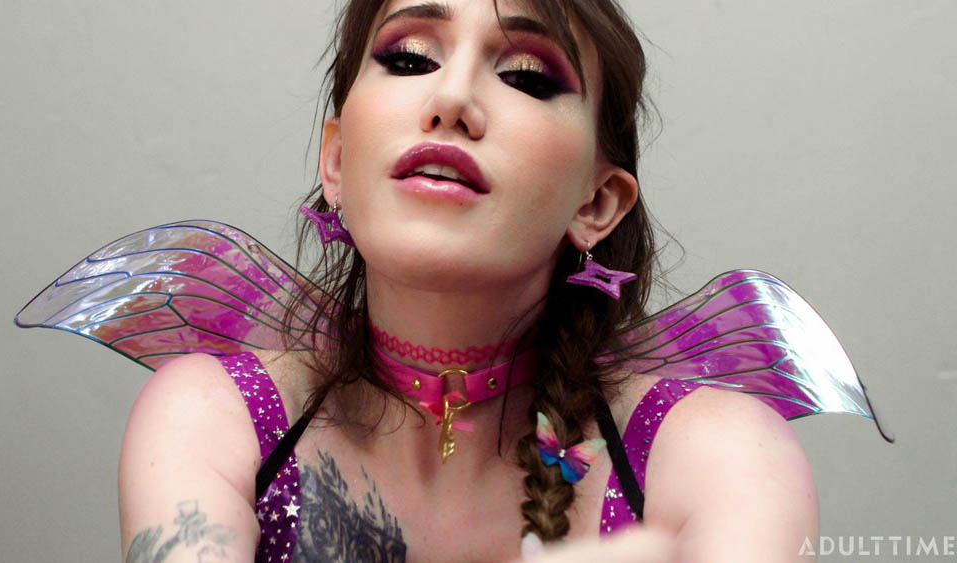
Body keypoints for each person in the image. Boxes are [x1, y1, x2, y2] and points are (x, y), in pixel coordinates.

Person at [80, 0, 827, 560]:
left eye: (526, 76)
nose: (452, 101)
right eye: (409, 59)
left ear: (596, 202)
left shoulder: (721, 456)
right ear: (335, 161)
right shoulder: (216, 417)